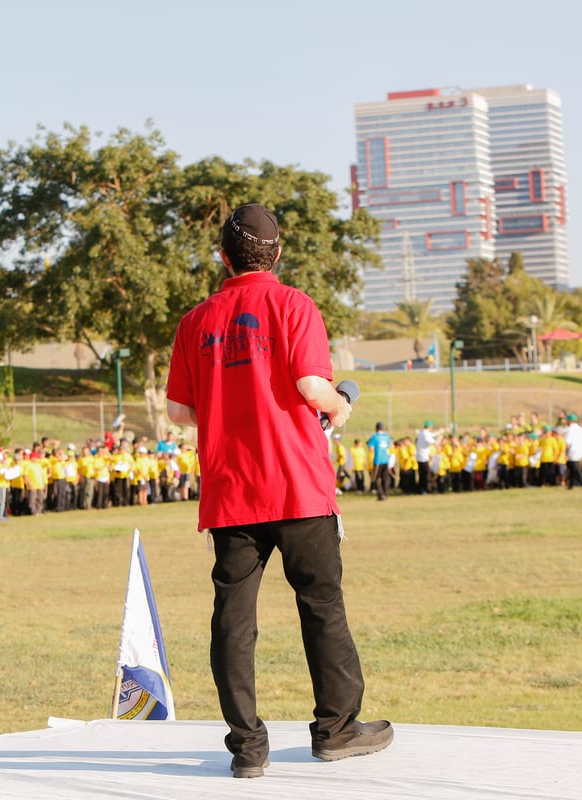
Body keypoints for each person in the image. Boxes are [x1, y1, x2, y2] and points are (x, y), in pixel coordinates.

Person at [166, 203, 392, 780]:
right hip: (297, 484)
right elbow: (310, 384)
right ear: (278, 253)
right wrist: (339, 405)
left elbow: (178, 411)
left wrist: (228, 400)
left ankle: (247, 746)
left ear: (223, 257)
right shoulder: (293, 304)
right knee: (321, 607)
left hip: (232, 489)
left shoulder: (195, 321)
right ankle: (337, 730)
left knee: (232, 619)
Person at [367, 422, 393, 500]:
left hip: (378, 460)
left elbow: (371, 448)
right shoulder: (387, 436)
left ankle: (381, 494)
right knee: (385, 478)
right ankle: (386, 493)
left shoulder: (375, 436)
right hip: (386, 459)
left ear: (376, 428)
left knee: (375, 478)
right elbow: (390, 446)